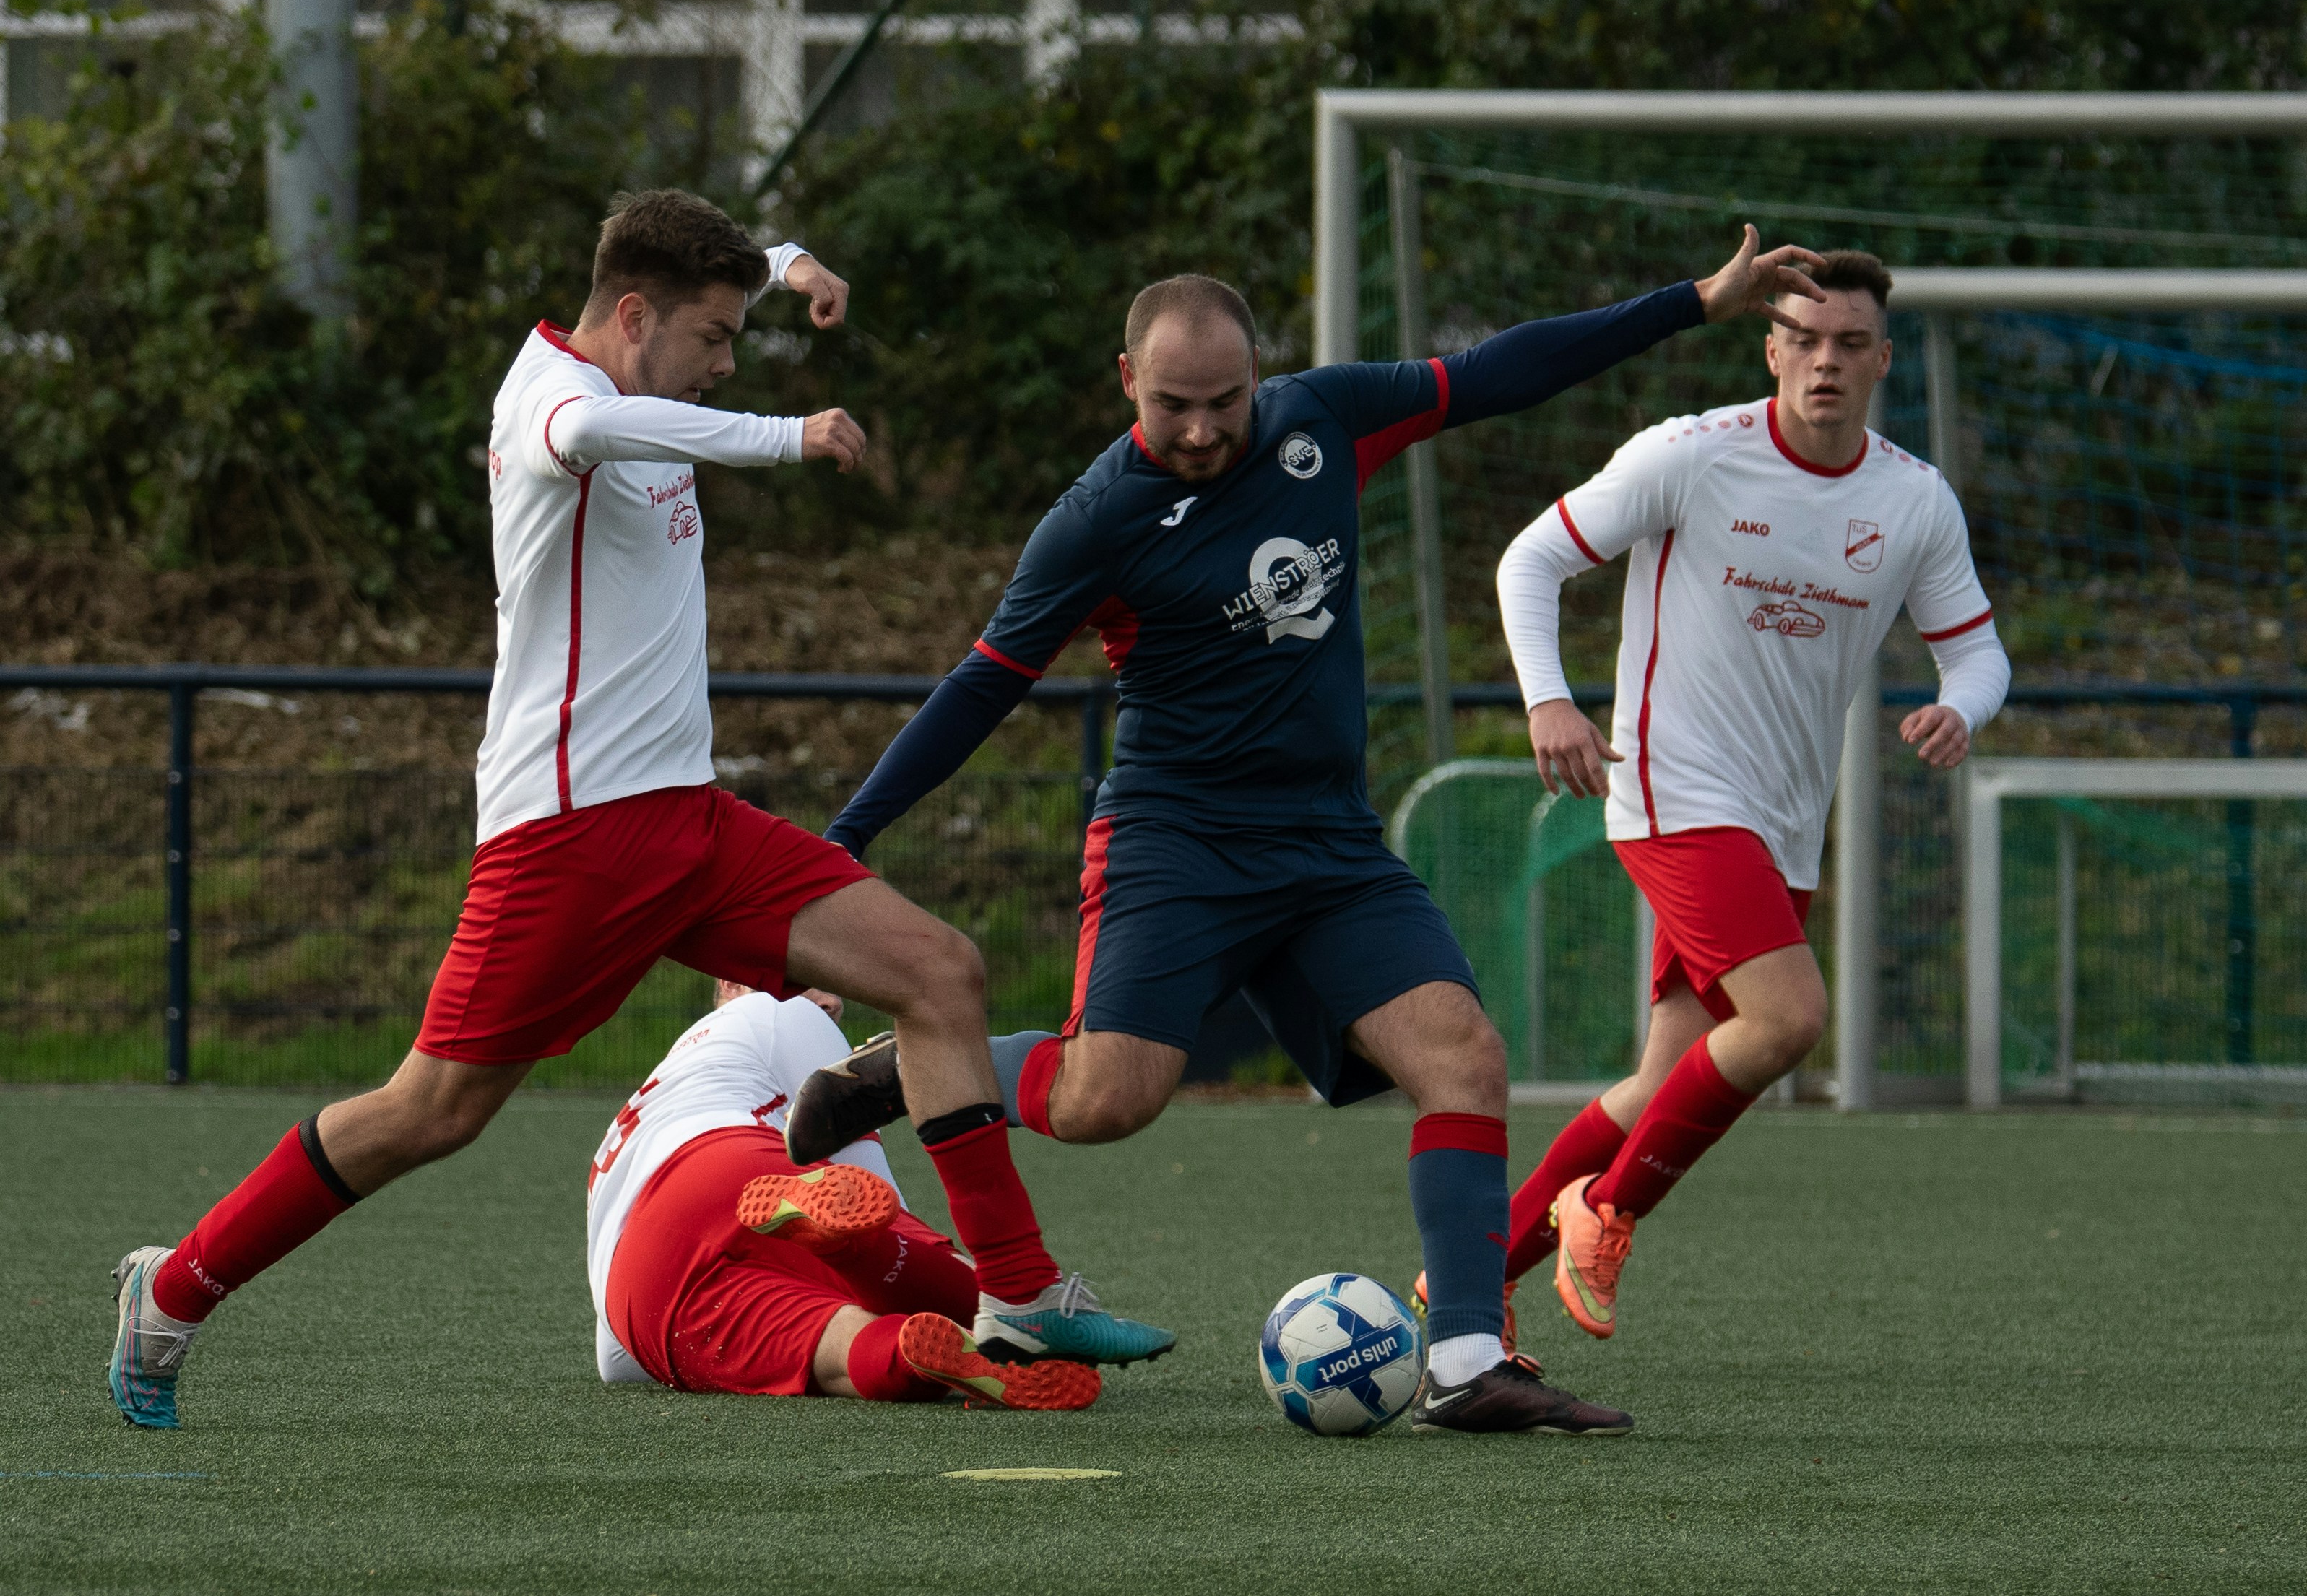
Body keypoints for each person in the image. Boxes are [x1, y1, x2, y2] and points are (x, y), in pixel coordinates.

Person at [108, 189, 1167, 1431]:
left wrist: (786, 267)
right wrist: (788, 430)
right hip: (567, 843)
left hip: (688, 820)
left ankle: (1022, 1293)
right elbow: (606, 429)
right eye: (713, 339)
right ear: (631, 317)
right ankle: (170, 1290)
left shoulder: (643, 330)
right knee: (428, 1111)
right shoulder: (552, 406)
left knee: (936, 968)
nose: (724, 362)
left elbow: (717, 279)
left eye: (734, 339)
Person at [786, 227, 1825, 1435]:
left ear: (1254, 375)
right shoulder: (1093, 520)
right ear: (1127, 381)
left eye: (1221, 401)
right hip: (1174, 840)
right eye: (1170, 404)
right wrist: (845, 835)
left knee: (1461, 1055)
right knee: (1103, 1101)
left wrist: (1691, 303)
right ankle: (900, 1068)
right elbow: (980, 685)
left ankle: (1467, 1359)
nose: (1198, 429)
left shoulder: (1318, 420)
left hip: (1326, 843)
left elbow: (1501, 370)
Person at [1490, 248, 2010, 1342]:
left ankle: (1469, 1277)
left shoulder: (1912, 500)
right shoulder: (1688, 455)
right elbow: (1529, 561)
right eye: (1804, 340)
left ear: (1879, 360)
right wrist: (1550, 701)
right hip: (1672, 790)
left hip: (1781, 824)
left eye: (1849, 343)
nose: (1825, 360)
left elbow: (1976, 651)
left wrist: (1962, 706)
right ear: (1770, 348)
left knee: (1661, 1078)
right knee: (1789, 1019)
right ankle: (1610, 1209)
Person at [589, 980, 1099, 1410]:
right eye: (810, 971)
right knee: (970, 1302)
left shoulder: (646, 1102)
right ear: (731, 983)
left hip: (639, 1288)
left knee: (833, 1353)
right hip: (729, 1166)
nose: (830, 999)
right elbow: (870, 1198)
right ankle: (1013, 1316)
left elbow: (616, 1365)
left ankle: (907, 1354)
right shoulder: (778, 1012)